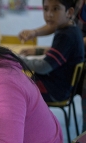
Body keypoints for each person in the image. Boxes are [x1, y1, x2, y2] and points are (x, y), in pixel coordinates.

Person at [19, 0, 86, 132]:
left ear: (69, 12)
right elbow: (58, 53)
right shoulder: (71, 29)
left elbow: (45, 66)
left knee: (19, 88)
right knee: (22, 83)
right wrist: (36, 51)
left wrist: (19, 60)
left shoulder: (66, 35)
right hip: (61, 87)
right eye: (46, 9)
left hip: (56, 90)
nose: (49, 14)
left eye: (55, 9)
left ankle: (29, 133)